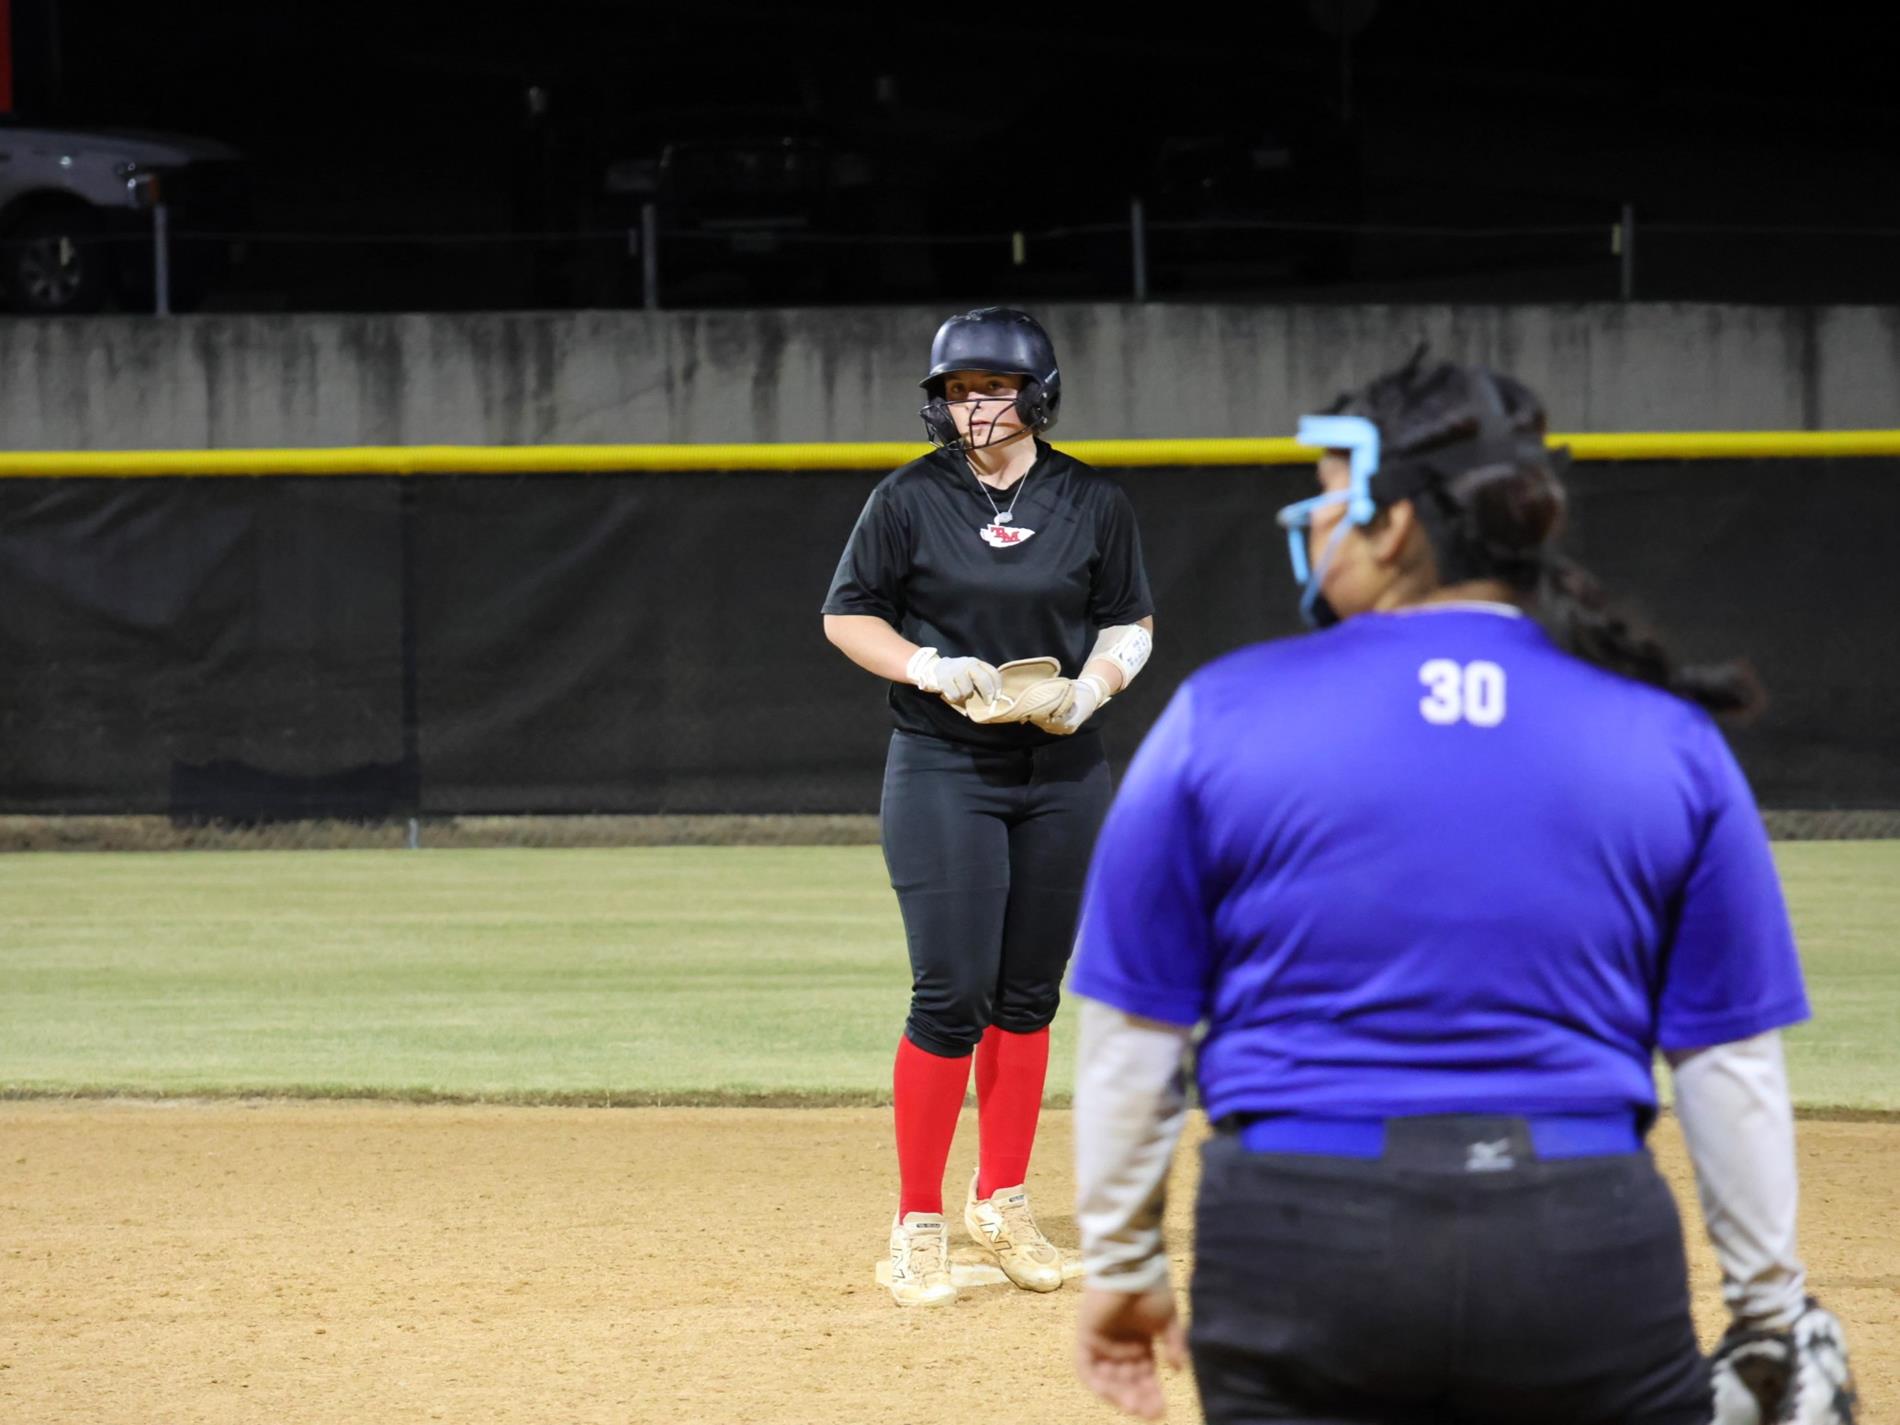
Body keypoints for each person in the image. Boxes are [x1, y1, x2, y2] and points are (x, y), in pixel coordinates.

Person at [1066, 356, 1858, 1422]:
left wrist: (1124, 1268)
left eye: (1330, 495)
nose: (1313, 521)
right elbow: (1729, 1062)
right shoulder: (1663, 730)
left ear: (1394, 524)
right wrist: (1767, 1308)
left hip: (1301, 1240)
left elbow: (1133, 1034)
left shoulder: (1223, 712)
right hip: (1578, 1239)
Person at [821, 306, 1157, 1307]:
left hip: (1061, 769)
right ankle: (916, 1220)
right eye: (957, 389)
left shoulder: (1091, 499)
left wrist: (1091, 689)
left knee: (1028, 993)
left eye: (993, 387)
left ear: (1037, 394)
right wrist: (927, 666)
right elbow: (847, 615)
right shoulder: (907, 498)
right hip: (944, 764)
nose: (972, 405)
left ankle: (1001, 1201)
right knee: (951, 992)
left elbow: (1129, 620)